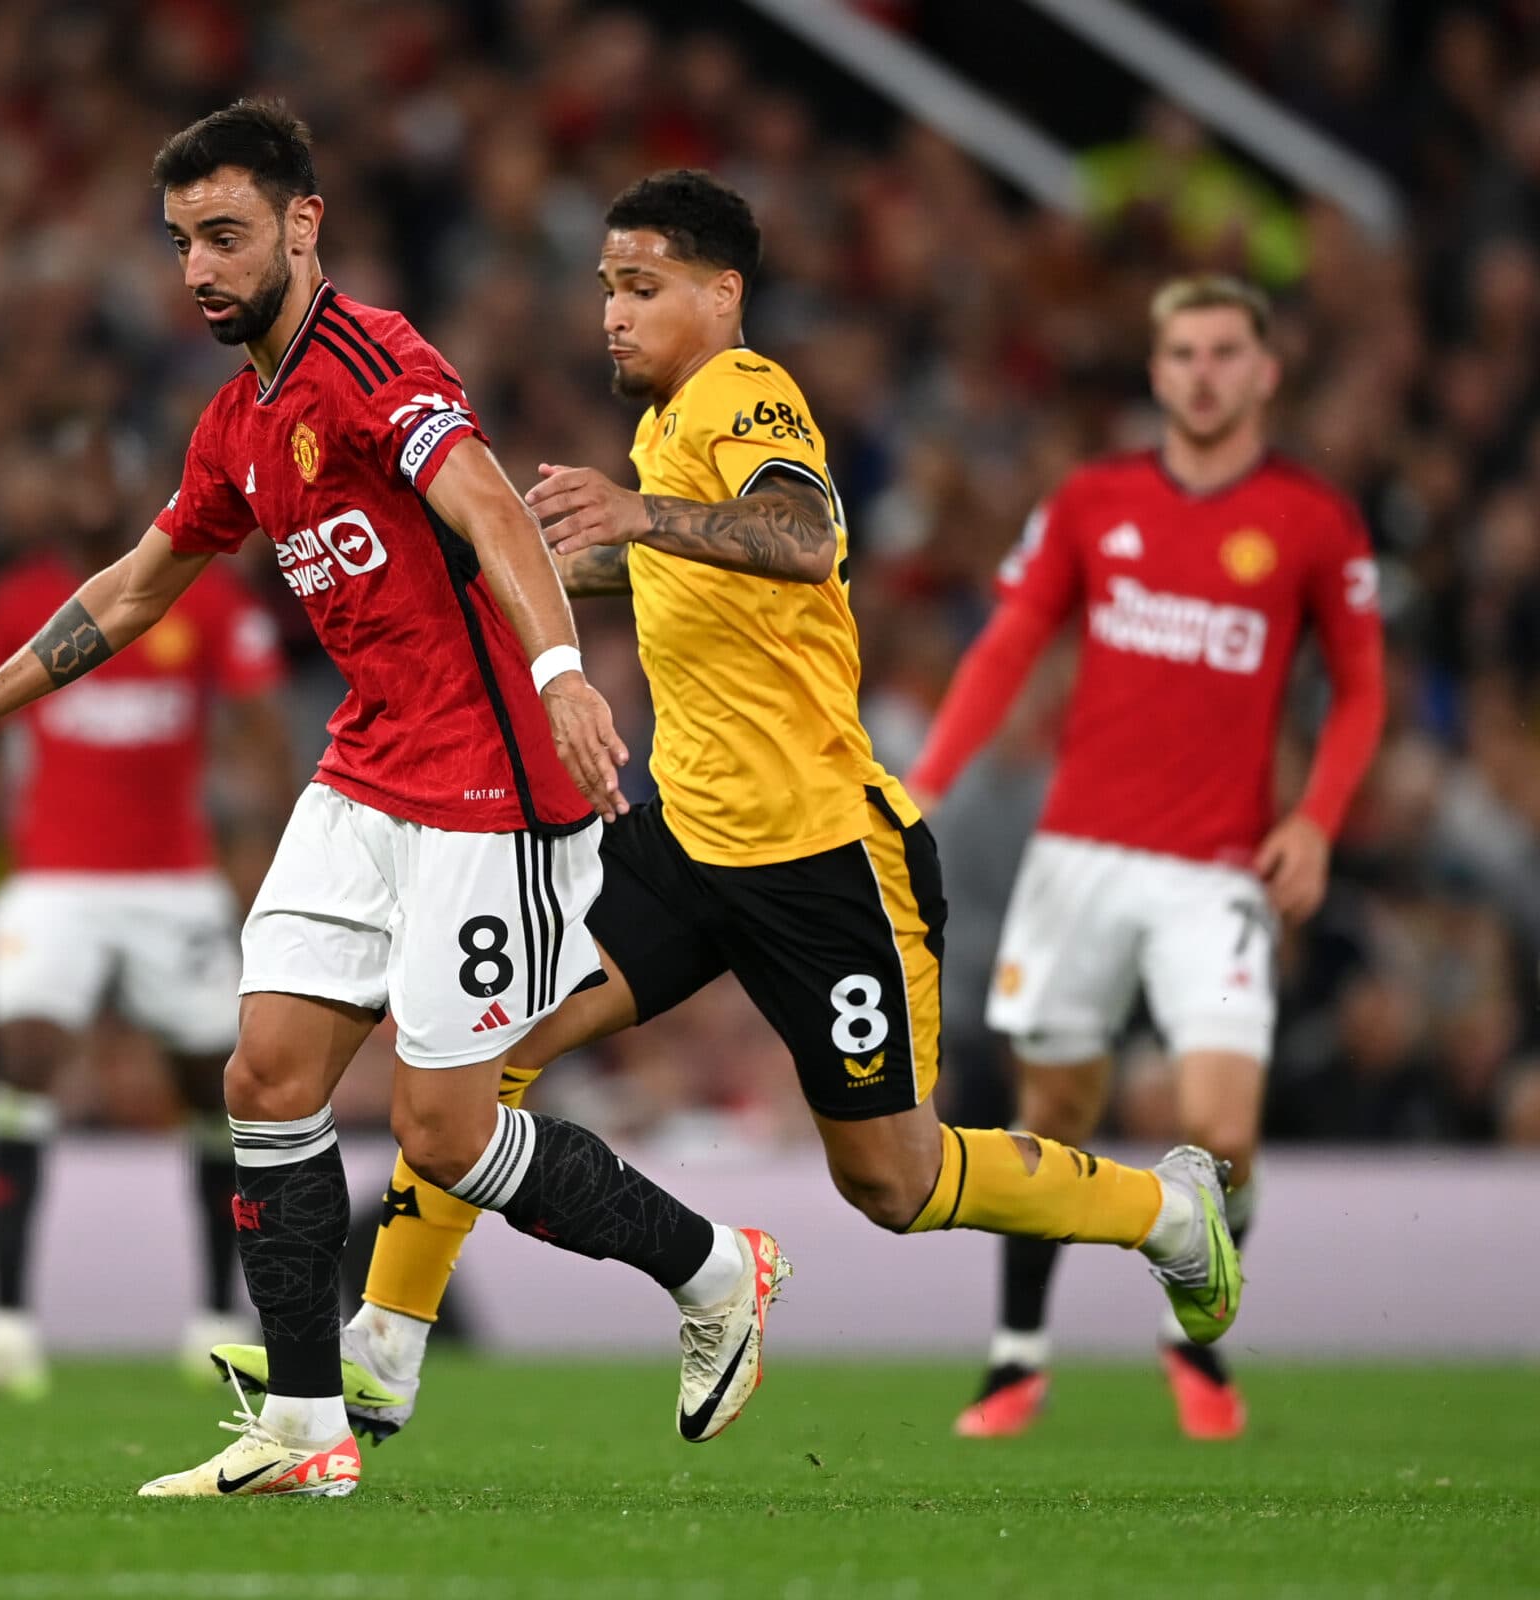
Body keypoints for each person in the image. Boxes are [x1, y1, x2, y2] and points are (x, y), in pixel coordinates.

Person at [215, 170, 1244, 1445]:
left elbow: (805, 535)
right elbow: (593, 568)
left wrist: (637, 515)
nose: (613, 314)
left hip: (821, 850)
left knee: (895, 1179)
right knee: (485, 1047)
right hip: (683, 841)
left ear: (724, 293)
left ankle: (1165, 1212)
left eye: (642, 288)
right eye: (605, 288)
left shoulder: (745, 395)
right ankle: (384, 1342)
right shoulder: (661, 429)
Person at [0, 104, 785, 1500]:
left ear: (304, 224)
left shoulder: (378, 362)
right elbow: (136, 582)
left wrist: (562, 678)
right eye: (179, 244)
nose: (198, 272)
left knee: (444, 1135)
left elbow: (489, 511)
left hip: (496, 790)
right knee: (263, 1081)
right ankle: (304, 1428)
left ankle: (715, 1266)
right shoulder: (241, 420)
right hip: (363, 775)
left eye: (225, 237)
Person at [907, 274, 1386, 1440]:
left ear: (1264, 372)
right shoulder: (1093, 501)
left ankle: (1193, 1336)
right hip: (1078, 861)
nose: (1204, 373)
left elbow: (1364, 691)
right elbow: (1011, 640)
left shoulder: (1314, 521)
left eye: (1226, 352)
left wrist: (1315, 816)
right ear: (1158, 371)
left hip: (1217, 869)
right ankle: (1017, 1354)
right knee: (1051, 1113)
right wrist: (922, 782)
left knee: (1221, 1130)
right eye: (1182, 353)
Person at [0, 447, 293, 1400]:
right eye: (66, 471)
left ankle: (214, 1320)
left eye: (99, 470)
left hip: (175, 882)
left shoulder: (203, 599)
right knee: (25, 1056)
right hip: (53, 879)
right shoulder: (13, 601)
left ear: (133, 490)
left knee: (215, 1087)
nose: (83, 488)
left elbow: (266, 739)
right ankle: (4, 1332)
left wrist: (271, 870)